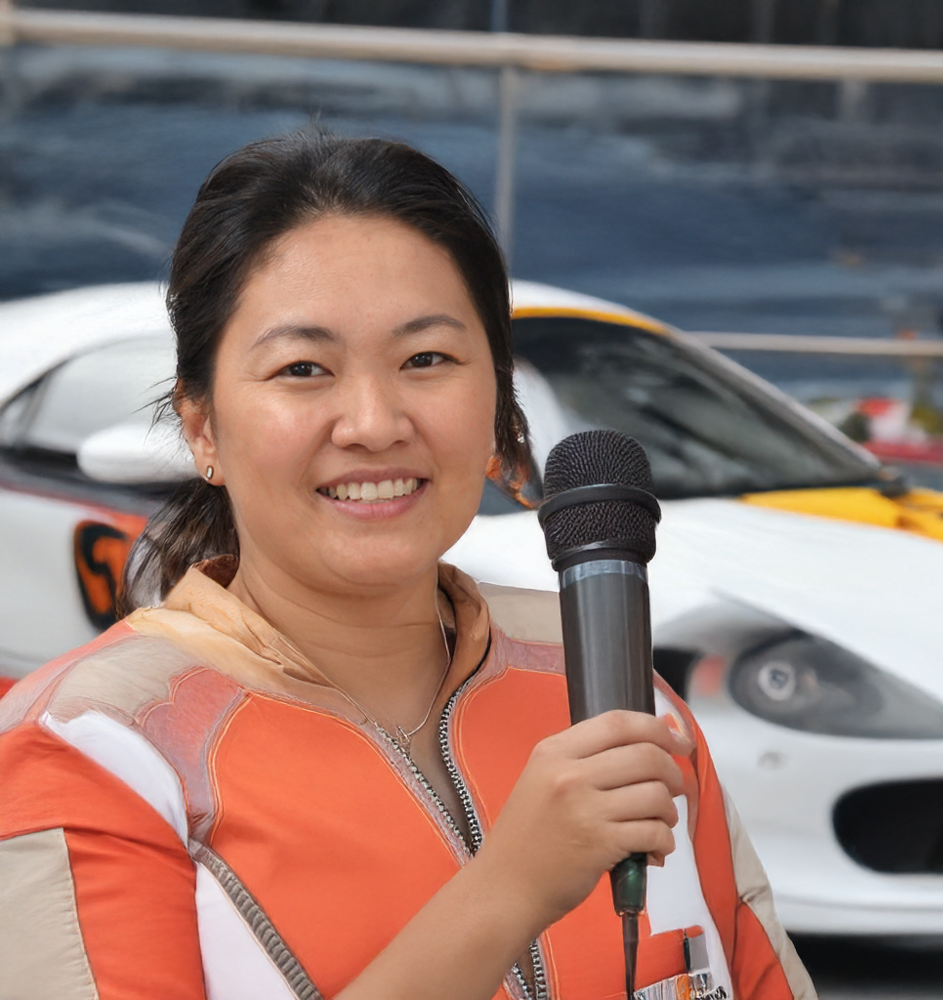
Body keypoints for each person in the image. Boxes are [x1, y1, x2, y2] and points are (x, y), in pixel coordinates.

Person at [0, 128, 815, 1000]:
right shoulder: (94, 747)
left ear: (498, 404)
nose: (374, 422)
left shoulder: (615, 697)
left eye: (427, 359)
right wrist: (508, 891)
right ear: (202, 427)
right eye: (303, 368)